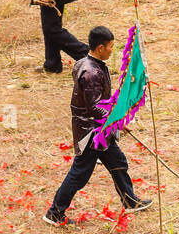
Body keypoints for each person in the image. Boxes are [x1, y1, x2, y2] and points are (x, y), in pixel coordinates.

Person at [42, 26, 149, 223]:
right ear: (100, 48)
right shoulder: (90, 73)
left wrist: (114, 121)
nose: (111, 51)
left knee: (118, 162)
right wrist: (116, 120)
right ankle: (55, 212)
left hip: (100, 129)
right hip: (91, 132)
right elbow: (94, 108)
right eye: (110, 47)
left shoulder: (87, 62)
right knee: (80, 174)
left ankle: (130, 201)